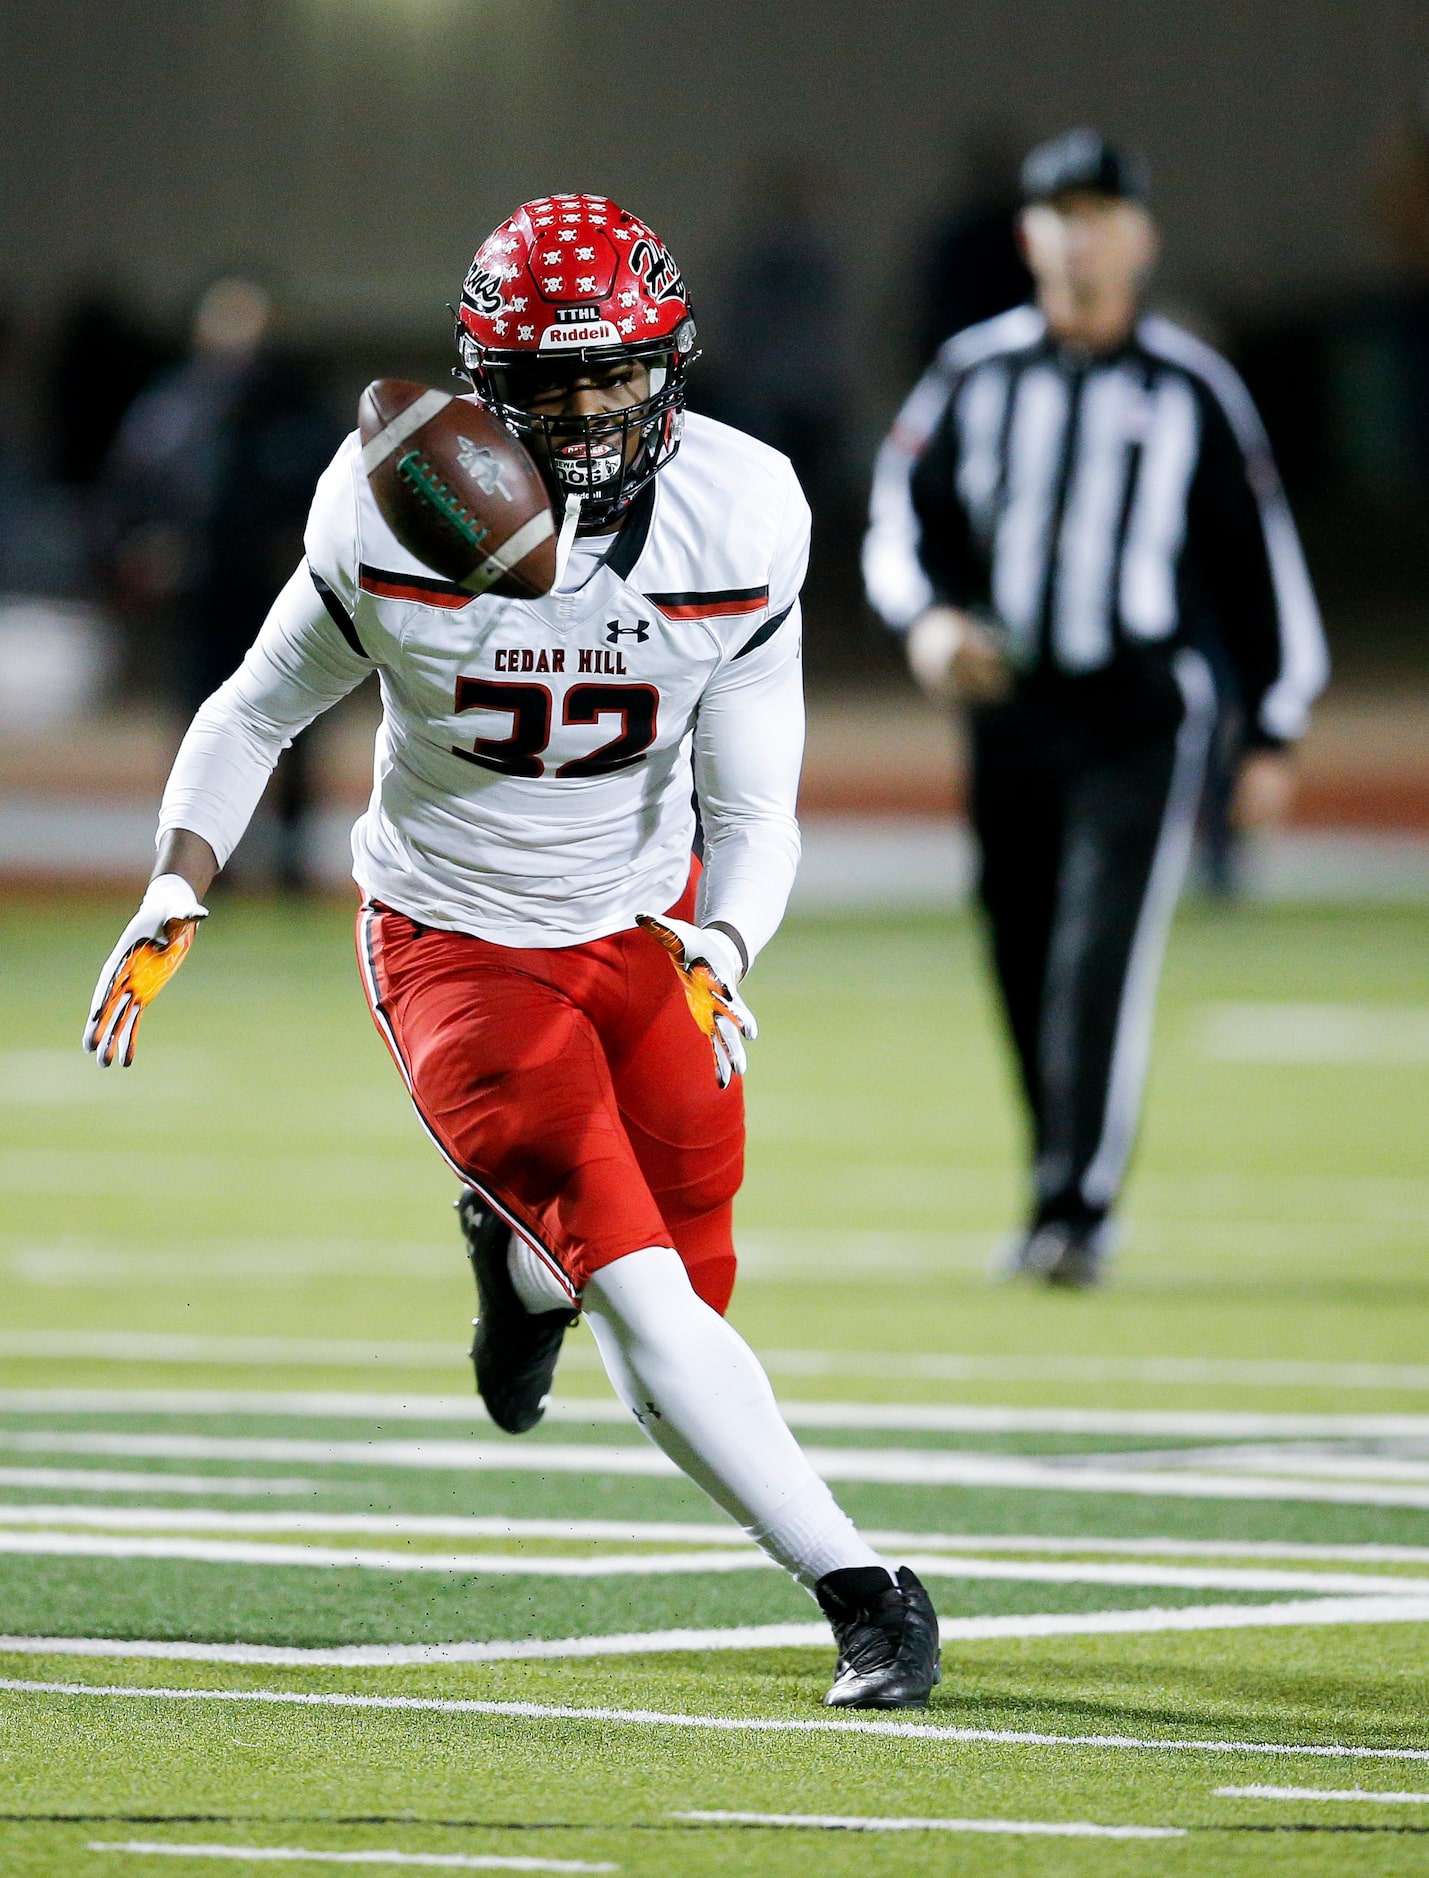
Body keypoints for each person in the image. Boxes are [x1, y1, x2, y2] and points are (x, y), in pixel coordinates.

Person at [81, 194, 940, 1711]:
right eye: (555, 385)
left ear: (672, 365)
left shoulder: (743, 513)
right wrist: (177, 878)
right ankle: (863, 1588)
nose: (597, 411)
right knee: (650, 1296)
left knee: (692, 1273)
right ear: (488, 391)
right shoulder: (385, 514)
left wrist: (726, 940)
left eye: (620, 374)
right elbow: (251, 708)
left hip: (646, 924)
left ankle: (517, 1269)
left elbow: (756, 806)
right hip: (456, 940)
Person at [864, 131, 1329, 1288]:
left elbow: (1254, 563)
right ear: (1028, 235)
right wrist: (927, 620)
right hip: (1009, 707)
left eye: (1100, 212)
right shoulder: (975, 372)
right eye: (1058, 212)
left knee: (1093, 960)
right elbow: (895, 519)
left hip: (1135, 708)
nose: (1080, 234)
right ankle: (1053, 1177)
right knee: (1018, 951)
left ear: (1139, 236)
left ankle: (1074, 1207)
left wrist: (1270, 726)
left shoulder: (1189, 386)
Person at [103, 278, 338, 888]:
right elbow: (129, 491)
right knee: (202, 720)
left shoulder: (299, 412)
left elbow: (334, 497)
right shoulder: (169, 409)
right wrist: (141, 547)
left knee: (293, 724)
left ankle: (289, 858)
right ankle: (204, 867)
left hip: (277, 591)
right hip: (199, 593)